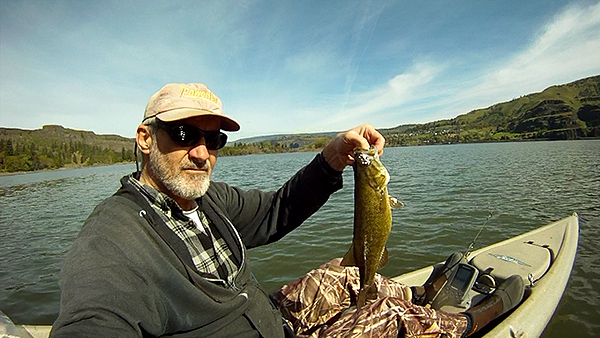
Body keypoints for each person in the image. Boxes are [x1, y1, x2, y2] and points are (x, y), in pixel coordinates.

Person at [51, 83, 524, 337]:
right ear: (145, 137)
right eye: (183, 134)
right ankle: (481, 315)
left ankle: (412, 294)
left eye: (213, 139)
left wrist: (334, 157)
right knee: (395, 324)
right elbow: (94, 317)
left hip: (270, 317)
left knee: (352, 275)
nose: (201, 152)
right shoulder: (112, 238)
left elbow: (278, 210)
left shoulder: (206, 199)